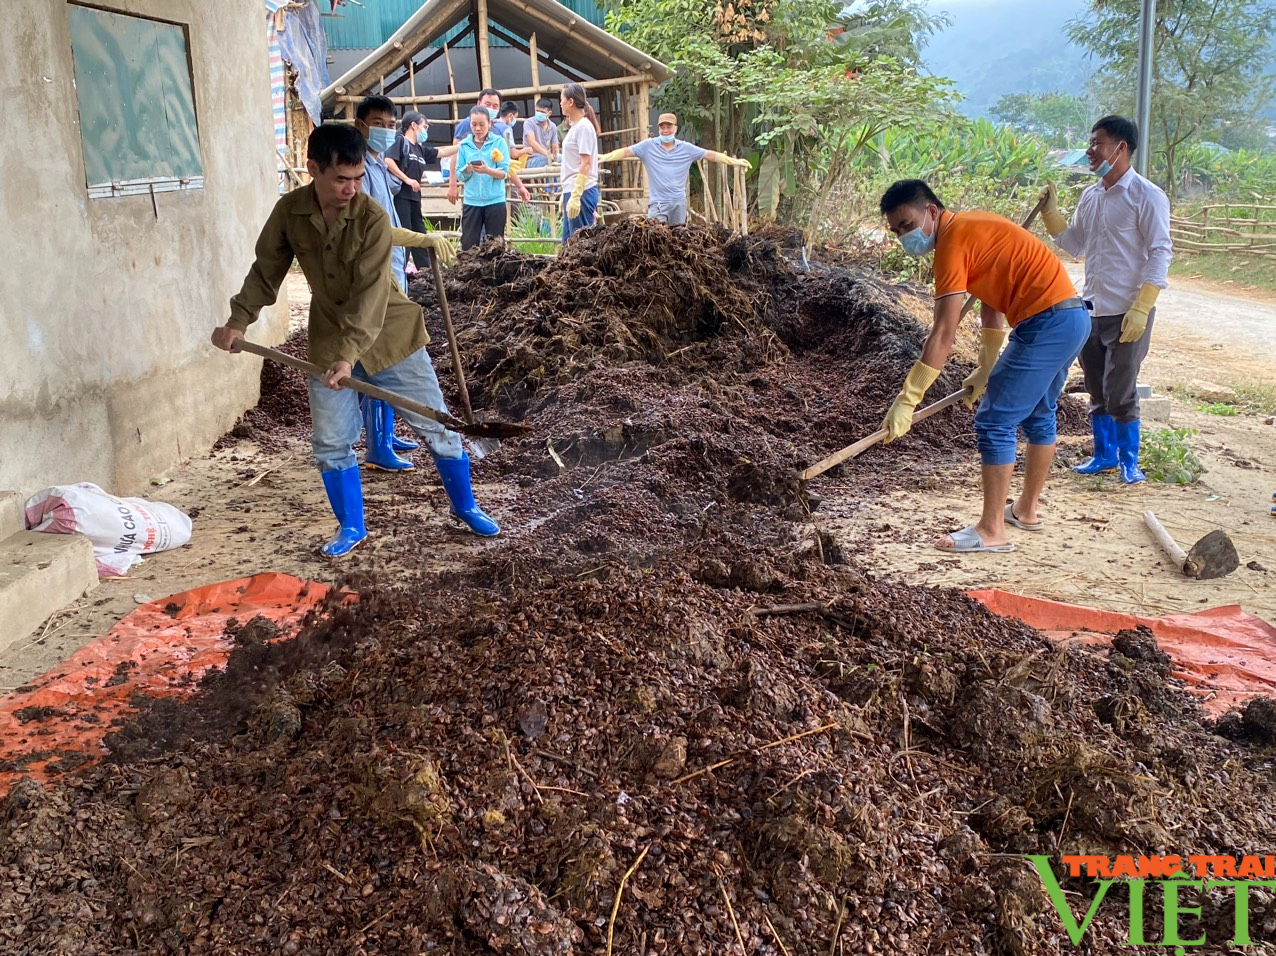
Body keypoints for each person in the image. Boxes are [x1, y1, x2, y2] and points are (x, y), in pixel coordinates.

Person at [211, 122, 499, 557]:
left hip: (390, 336)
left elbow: (369, 297)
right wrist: (239, 320)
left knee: (438, 426)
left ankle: (466, 506)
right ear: (313, 169)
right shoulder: (289, 213)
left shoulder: (372, 218)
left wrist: (349, 356)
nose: (351, 188)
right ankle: (352, 527)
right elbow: (266, 270)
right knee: (331, 441)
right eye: (341, 178)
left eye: (358, 177)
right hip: (329, 338)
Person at [878, 179, 1089, 554]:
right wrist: (986, 368)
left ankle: (991, 530)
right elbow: (992, 303)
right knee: (1040, 413)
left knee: (994, 422)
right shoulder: (972, 229)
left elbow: (943, 332)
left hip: (1047, 323)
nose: (904, 237)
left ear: (931, 211)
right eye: (897, 231)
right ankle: (1025, 510)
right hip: (1068, 319)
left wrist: (908, 398)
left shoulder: (953, 243)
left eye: (907, 225)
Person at [1040, 115, 1173, 484]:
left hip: (1129, 310)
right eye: (1090, 143)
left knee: (1121, 389)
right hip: (1092, 310)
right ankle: (1104, 456)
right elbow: (1076, 244)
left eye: (1097, 143)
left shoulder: (1146, 195)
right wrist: (1052, 214)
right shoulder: (1091, 196)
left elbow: (1161, 250)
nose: (1089, 151)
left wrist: (1143, 305)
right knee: (1096, 387)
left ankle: (1131, 461)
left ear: (1121, 148)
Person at [598, 112, 750, 225]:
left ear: (675, 128)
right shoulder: (648, 146)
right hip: (658, 204)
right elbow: (625, 151)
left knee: (678, 240)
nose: (665, 130)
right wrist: (605, 157)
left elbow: (710, 155)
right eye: (662, 127)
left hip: (678, 203)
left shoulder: (686, 149)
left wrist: (733, 162)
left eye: (669, 127)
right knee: (655, 238)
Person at [385, 111, 462, 272]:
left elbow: (441, 152)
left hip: (414, 197)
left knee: (420, 232)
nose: (426, 130)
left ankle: (426, 272)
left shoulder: (420, 149)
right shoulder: (400, 141)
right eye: (424, 126)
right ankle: (399, 271)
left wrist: (463, 145)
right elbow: (388, 160)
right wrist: (407, 179)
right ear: (414, 125)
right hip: (401, 196)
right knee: (404, 233)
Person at [447, 89, 530, 206]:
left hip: (494, 196)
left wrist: (520, 186)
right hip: (473, 197)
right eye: (488, 104)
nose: (491, 108)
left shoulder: (496, 131)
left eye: (495, 106)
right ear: (478, 103)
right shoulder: (466, 124)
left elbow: (505, 164)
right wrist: (452, 183)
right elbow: (455, 153)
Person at [455, 106, 511, 249]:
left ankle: (495, 271)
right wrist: (467, 169)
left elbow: (504, 172)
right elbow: (459, 175)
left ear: (489, 124)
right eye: (474, 124)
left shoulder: (499, 142)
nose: (478, 128)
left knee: (495, 245)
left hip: (495, 200)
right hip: (472, 201)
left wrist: (487, 170)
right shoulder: (464, 145)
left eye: (482, 124)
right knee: (468, 244)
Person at [559, 82, 600, 243]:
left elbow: (586, 163)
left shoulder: (583, 127)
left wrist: (576, 194)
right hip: (573, 189)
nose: (560, 103)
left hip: (582, 190)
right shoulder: (576, 127)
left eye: (561, 99)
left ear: (570, 102)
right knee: (569, 244)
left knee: (581, 245)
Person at [497, 102, 534, 172]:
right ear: (511, 116)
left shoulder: (494, 126)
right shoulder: (506, 129)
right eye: (515, 117)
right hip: (502, 165)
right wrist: (526, 150)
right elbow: (514, 154)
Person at [523, 98, 559, 169]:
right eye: (537, 111)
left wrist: (556, 157)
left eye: (542, 112)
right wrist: (548, 155)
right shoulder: (529, 122)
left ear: (549, 113)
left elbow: (555, 146)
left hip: (547, 158)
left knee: (562, 158)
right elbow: (531, 142)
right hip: (532, 160)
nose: (539, 113)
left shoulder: (553, 126)